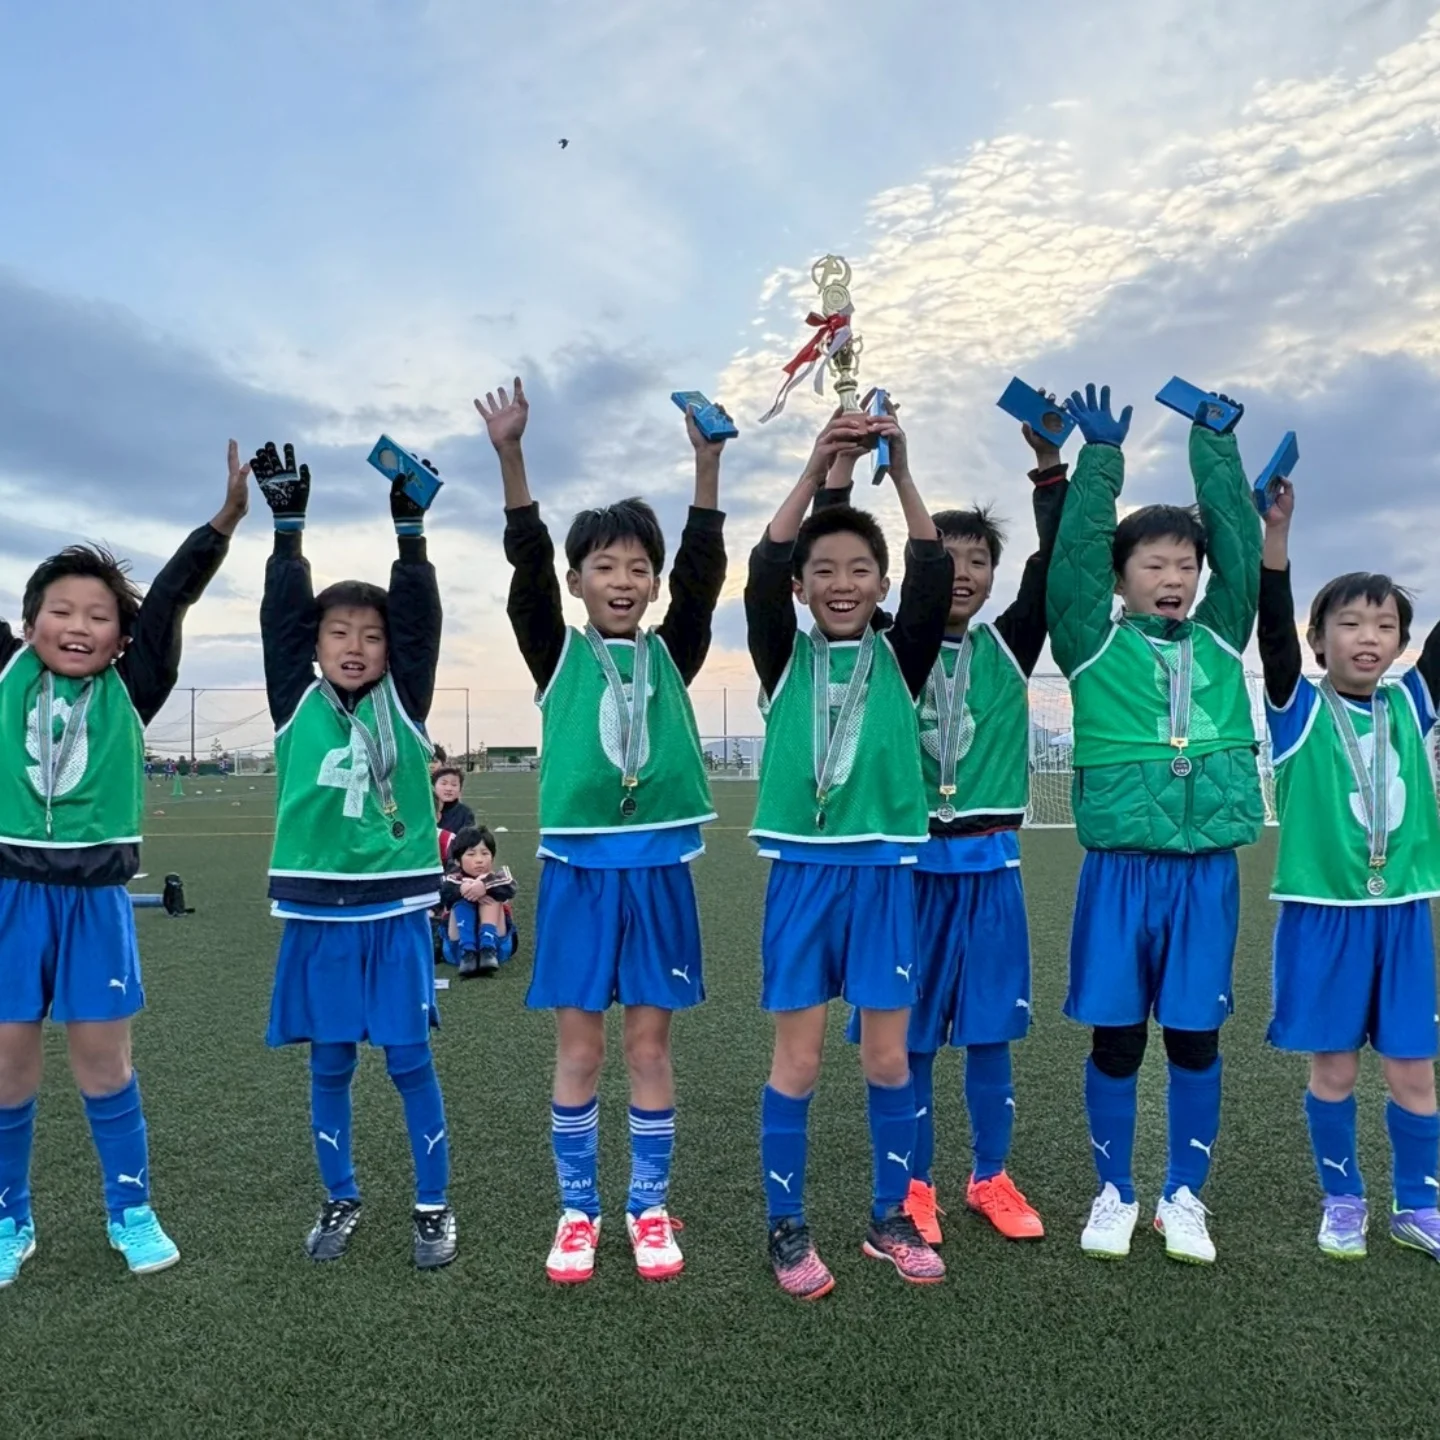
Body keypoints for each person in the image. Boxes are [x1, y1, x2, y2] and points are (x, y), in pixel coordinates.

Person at [478, 377, 726, 1284]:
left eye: (637, 569)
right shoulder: (556, 651)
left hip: (659, 872)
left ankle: (647, 1206)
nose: (623, 582)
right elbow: (524, 572)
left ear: (653, 583)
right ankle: (578, 1210)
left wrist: (706, 468)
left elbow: (706, 573)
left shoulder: (675, 649)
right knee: (580, 1049)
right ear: (578, 580)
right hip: (581, 874)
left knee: (649, 1047)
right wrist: (511, 459)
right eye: (604, 568)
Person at [0, 442, 249, 1288]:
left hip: (97, 901)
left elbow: (172, 594)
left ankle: (130, 1208)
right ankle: (10, 1218)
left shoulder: (131, 689)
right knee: (6, 1060)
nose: (77, 626)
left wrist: (223, 522)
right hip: (8, 896)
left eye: (98, 615)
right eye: (60, 611)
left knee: (104, 1063)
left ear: (122, 635)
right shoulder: (4, 674)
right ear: (31, 621)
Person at [828, 392, 1068, 1245]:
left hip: (990, 865)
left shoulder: (1012, 643)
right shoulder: (894, 646)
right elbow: (890, 570)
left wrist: (1049, 470)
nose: (963, 574)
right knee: (915, 1037)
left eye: (980, 563)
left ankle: (991, 1177)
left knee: (991, 1034)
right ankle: (916, 1183)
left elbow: (1058, 559)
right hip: (907, 868)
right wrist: (876, 472)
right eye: (951, 560)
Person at [1047, 383, 1263, 1265]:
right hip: (1121, 874)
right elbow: (1070, 563)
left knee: (1195, 1036)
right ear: (1122, 576)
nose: (1173, 580)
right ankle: (1115, 1192)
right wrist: (1100, 463)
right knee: (1118, 1035)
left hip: (1205, 871)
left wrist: (1215, 449)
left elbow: (1242, 550)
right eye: (1154, 566)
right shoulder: (1089, 644)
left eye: (1185, 566)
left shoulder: (1221, 638)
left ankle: (1183, 1196)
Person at [747, 406, 954, 1300]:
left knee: (887, 1061)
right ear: (804, 588)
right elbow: (762, 568)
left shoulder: (902, 657)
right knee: (796, 1062)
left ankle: (887, 1217)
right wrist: (815, 464)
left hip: (882, 881)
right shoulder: (779, 656)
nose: (841, 582)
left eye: (859, 570)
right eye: (824, 570)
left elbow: (936, 569)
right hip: (801, 879)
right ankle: (786, 1228)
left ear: (880, 586)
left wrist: (900, 471)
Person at [255, 439, 456, 1271]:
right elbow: (279, 618)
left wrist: (409, 532)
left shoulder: (405, 700)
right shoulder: (292, 698)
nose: (355, 644)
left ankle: (433, 1206)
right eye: (338, 631)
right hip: (316, 913)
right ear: (317, 642)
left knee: (409, 1061)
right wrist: (287, 535)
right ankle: (340, 1197)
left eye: (371, 635)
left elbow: (418, 620)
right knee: (331, 1062)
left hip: (395, 910)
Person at [1258, 477, 1440, 1260]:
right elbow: (1268, 629)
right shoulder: (1294, 707)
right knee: (1332, 1070)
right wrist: (1277, 537)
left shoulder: (1413, 703)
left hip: (1401, 915)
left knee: (1414, 1076)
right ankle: (1343, 1200)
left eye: (1386, 624)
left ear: (1402, 643)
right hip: (1323, 915)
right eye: (1351, 622)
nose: (1369, 636)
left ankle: (1417, 1205)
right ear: (1318, 638)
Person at [441, 825, 517, 978]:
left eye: (485, 853)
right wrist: (464, 888)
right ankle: (468, 951)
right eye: (471, 854)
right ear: (457, 861)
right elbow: (444, 891)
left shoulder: (500, 876)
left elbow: (510, 886)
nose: (479, 860)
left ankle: (487, 949)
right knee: (463, 892)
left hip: (498, 947)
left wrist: (484, 886)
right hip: (456, 948)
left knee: (493, 892)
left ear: (492, 857)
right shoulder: (451, 879)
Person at [432, 764, 475, 834]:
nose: (449, 788)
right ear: (433, 786)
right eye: (444, 783)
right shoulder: (426, 810)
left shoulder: (465, 813)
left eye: (454, 785)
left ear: (460, 789)